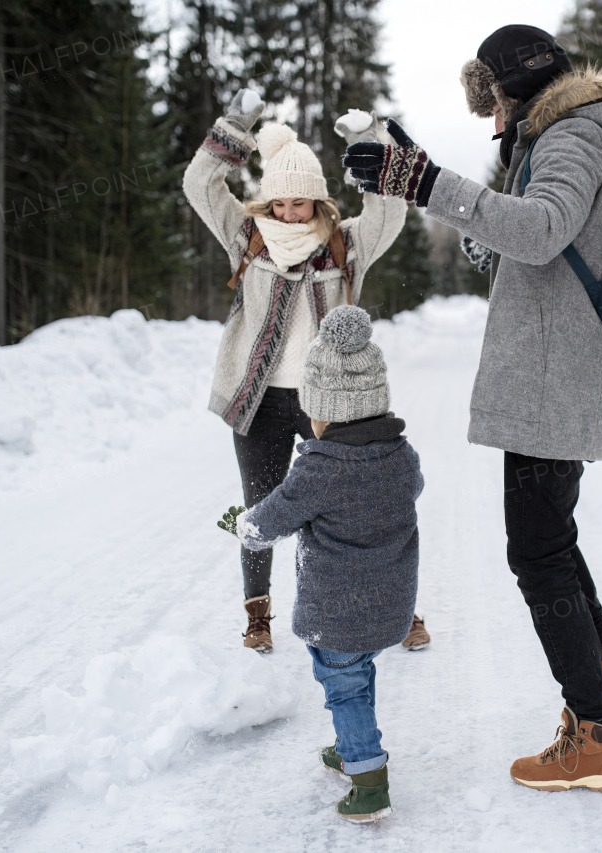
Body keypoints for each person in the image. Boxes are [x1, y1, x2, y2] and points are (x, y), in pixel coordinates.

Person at [343, 24, 602, 792]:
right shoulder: (588, 131)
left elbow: (537, 232)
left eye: (496, 104)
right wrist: (432, 175)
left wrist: (427, 183)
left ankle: (598, 734)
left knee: (535, 551)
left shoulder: (572, 137)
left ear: (519, 87)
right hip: (565, 367)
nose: (495, 123)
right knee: (551, 538)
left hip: (551, 375)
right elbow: (522, 246)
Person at [184, 88, 430, 654]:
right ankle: (258, 616)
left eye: (300, 203)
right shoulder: (246, 239)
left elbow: (389, 209)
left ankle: (401, 611)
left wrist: (369, 142)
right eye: (279, 203)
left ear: (319, 202)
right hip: (262, 400)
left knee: (367, 510)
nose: (289, 213)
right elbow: (200, 184)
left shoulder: (345, 246)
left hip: (336, 405)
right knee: (262, 506)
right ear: (267, 203)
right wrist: (236, 127)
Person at [233, 305, 422, 823]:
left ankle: (368, 779)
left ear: (326, 411)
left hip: (337, 615)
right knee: (358, 675)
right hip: (389, 608)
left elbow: (273, 518)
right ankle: (354, 742)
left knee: (344, 684)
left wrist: (246, 527)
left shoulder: (319, 469)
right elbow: (413, 490)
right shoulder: (401, 457)